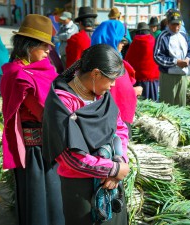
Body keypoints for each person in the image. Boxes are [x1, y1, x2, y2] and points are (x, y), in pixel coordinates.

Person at [42, 44, 130, 225]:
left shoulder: (101, 94)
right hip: (80, 189)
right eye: (111, 79)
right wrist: (112, 169)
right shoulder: (62, 103)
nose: (113, 84)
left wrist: (120, 160)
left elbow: (119, 128)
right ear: (96, 74)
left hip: (111, 180)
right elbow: (70, 157)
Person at [0, 14, 65, 225]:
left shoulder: (35, 70)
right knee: (44, 199)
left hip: (42, 146)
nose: (49, 50)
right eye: (44, 46)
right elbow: (45, 113)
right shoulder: (22, 76)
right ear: (29, 46)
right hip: (36, 151)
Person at [91, 19, 142, 137]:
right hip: (109, 123)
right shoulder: (103, 64)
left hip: (119, 120)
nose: (123, 43)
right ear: (110, 38)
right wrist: (133, 91)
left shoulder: (114, 60)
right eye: (121, 39)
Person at [153, 9, 190, 107]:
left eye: (178, 24)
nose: (176, 27)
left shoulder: (183, 35)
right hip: (168, 77)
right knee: (168, 107)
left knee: (181, 107)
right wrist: (175, 62)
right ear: (168, 23)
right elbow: (157, 57)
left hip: (182, 77)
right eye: (173, 24)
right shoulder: (162, 37)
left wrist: (188, 59)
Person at [125, 22, 159, 101]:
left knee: (140, 101)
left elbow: (128, 59)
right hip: (152, 78)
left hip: (139, 78)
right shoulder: (153, 40)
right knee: (152, 101)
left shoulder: (136, 41)